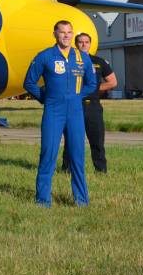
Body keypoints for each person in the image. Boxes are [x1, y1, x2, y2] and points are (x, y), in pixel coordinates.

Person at [23, 20, 97, 207]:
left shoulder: (82, 57)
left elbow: (92, 84)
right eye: (62, 32)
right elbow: (29, 82)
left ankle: (81, 200)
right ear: (55, 34)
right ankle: (42, 200)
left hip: (75, 112)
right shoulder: (45, 56)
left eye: (69, 32)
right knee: (48, 153)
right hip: (53, 111)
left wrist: (77, 96)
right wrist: (45, 98)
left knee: (77, 156)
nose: (66, 36)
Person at [61, 32, 117, 173]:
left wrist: (95, 89)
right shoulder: (69, 61)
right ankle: (67, 169)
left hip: (93, 106)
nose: (84, 44)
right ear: (76, 44)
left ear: (90, 44)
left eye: (86, 42)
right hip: (74, 106)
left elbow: (113, 82)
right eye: (80, 42)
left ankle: (100, 170)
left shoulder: (99, 62)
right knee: (71, 140)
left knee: (97, 140)